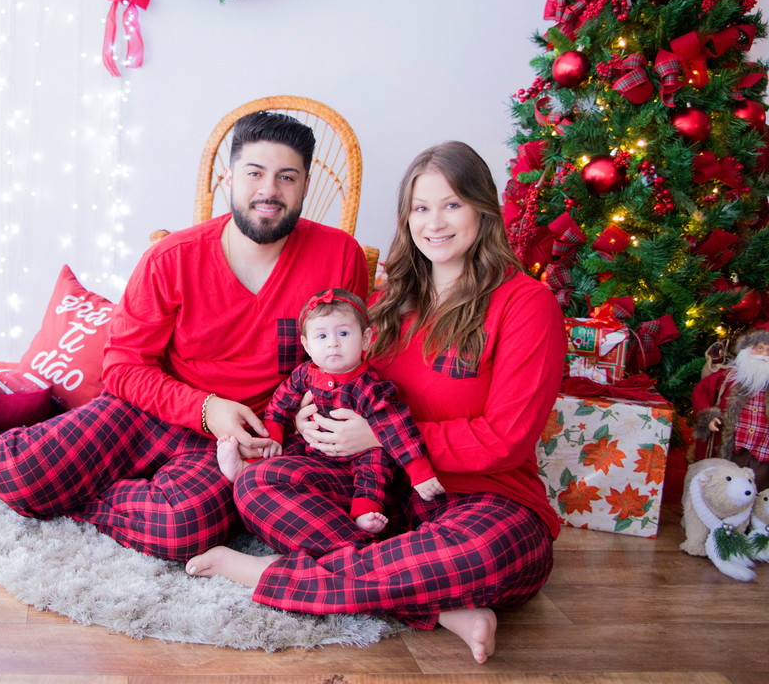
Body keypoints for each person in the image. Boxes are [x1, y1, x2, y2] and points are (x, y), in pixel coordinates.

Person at [186, 141, 565, 665]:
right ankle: (436, 607)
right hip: (382, 493)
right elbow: (344, 382)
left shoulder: (525, 304)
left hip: (484, 500)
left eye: (452, 204)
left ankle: (262, 572)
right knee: (258, 483)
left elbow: (507, 439)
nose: (435, 222)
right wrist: (307, 418)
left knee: (487, 554)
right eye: (420, 208)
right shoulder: (391, 301)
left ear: (483, 208)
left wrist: (380, 435)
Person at [0, 111, 370, 561]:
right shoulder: (171, 257)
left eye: (286, 177)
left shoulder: (340, 256)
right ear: (229, 177)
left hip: (239, 441)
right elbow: (121, 368)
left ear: (305, 186)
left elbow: (347, 360)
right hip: (151, 411)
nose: (269, 190)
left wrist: (308, 416)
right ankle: (39, 481)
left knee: (182, 530)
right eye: (255, 173)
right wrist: (205, 408)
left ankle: (80, 498)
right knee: (17, 470)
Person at [216, 287, 443, 535]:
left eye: (343, 333)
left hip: (359, 454)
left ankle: (365, 510)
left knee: (376, 466)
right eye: (321, 337)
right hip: (314, 449)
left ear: (366, 339)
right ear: (307, 344)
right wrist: (273, 434)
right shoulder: (306, 373)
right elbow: (282, 400)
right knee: (287, 448)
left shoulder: (369, 387)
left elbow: (397, 427)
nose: (333, 343)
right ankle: (246, 468)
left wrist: (420, 473)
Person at [693, 328, 769, 491]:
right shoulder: (728, 378)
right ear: (748, 350)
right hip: (733, 448)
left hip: (764, 452)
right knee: (727, 487)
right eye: (760, 348)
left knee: (760, 491)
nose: (763, 355)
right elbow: (702, 391)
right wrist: (709, 415)